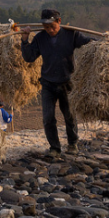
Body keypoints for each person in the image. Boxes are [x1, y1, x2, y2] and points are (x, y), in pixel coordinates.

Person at [17, 9, 92, 156]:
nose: (50, 30)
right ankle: (55, 148)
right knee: (48, 118)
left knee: (69, 115)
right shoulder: (40, 38)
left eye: (52, 26)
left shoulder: (72, 35)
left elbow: (89, 43)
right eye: (46, 27)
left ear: (59, 21)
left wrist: (106, 39)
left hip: (67, 82)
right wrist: (25, 40)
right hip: (48, 83)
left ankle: (72, 144)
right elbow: (29, 57)